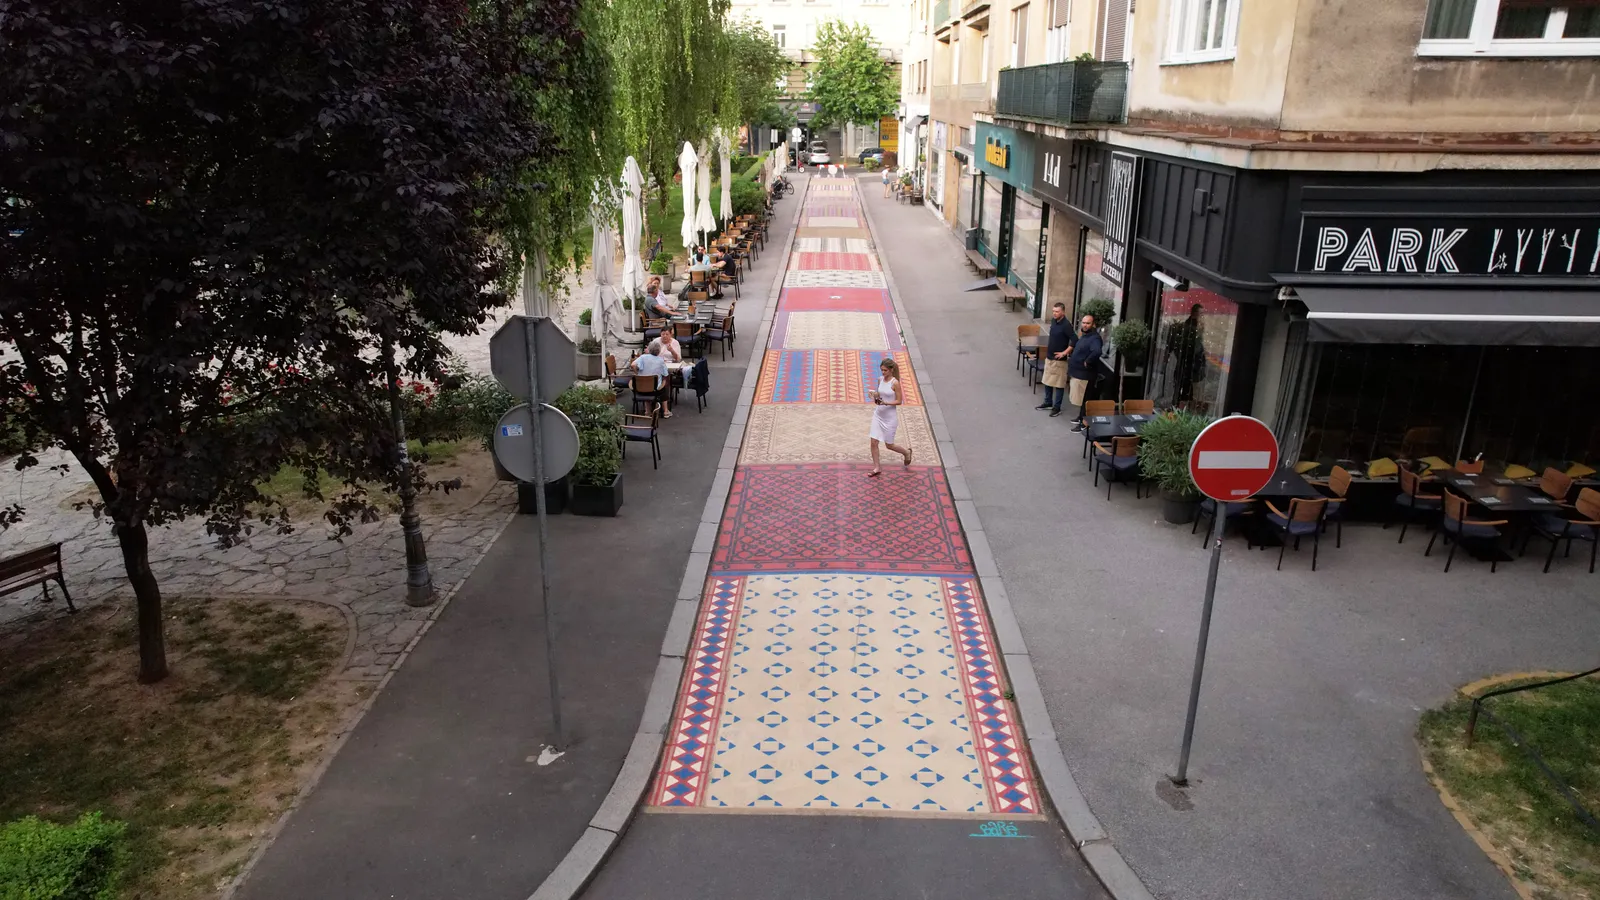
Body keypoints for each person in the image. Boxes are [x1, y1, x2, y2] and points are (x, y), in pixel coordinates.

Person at [866, 358, 913, 476]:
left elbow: (898, 401)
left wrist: (886, 403)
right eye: (881, 370)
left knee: (889, 445)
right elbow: (880, 394)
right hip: (878, 414)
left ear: (891, 370)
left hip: (889, 418)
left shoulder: (895, 383)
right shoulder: (880, 379)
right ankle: (877, 467)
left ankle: (906, 453)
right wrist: (874, 395)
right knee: (873, 442)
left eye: (885, 370)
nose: (883, 373)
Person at [1066, 312, 1103, 433]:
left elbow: (1097, 352)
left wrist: (1088, 361)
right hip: (1079, 373)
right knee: (1082, 399)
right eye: (1083, 322)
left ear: (1093, 324)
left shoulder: (1095, 338)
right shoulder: (1085, 335)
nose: (1085, 325)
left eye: (1088, 323)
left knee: (1085, 399)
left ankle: (1084, 424)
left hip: (1086, 375)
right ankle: (1080, 417)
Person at [1035, 302, 1073, 417]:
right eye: (1053, 311)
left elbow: (1075, 340)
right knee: (1047, 381)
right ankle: (1048, 402)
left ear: (1063, 312)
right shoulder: (1053, 321)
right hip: (1050, 357)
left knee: (1059, 384)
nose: (1054, 313)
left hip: (1059, 361)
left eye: (1057, 311)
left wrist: (1064, 353)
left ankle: (1057, 407)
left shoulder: (1066, 325)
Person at [631, 341, 673, 418]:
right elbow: (665, 374)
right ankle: (666, 411)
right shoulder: (660, 360)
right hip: (655, 390)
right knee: (664, 383)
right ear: (659, 351)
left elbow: (633, 364)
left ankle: (647, 411)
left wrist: (637, 373)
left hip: (640, 388)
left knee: (646, 383)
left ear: (649, 349)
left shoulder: (643, 357)